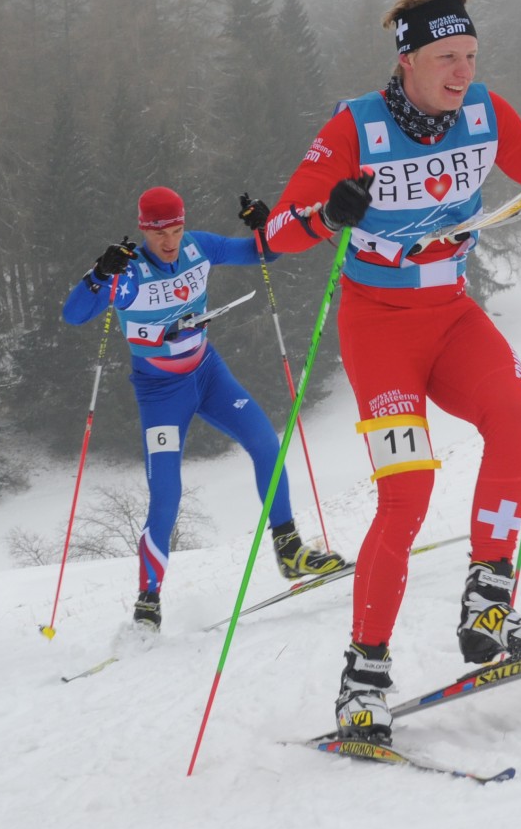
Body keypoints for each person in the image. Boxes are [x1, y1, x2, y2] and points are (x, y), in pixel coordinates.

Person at [243, 0, 521, 742]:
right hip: (379, 328)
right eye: (446, 57)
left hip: (450, 313)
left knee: (512, 416)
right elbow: (274, 235)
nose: (462, 71)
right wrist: (330, 214)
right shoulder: (355, 127)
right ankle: (364, 675)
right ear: (407, 60)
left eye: (471, 55)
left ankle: (488, 604)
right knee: (407, 493)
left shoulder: (484, 112)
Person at [62, 185, 343, 629]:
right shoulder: (129, 272)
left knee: (266, 443)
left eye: (176, 230)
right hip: (160, 393)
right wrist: (99, 274)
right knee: (167, 495)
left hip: (208, 374)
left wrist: (267, 229)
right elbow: (74, 314)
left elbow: (266, 255)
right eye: (160, 234)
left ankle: (289, 550)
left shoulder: (199, 247)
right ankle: (148, 602)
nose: (170, 242)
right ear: (143, 230)